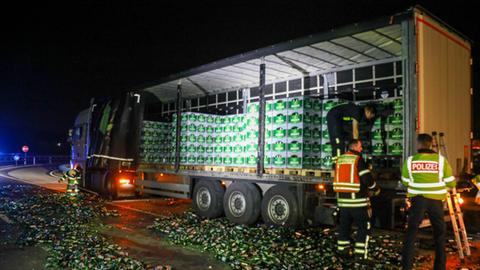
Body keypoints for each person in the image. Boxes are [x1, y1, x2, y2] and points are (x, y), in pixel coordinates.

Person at [401, 133, 456, 270]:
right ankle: (439, 267)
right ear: (431, 144)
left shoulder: (410, 160)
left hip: (418, 200)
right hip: (436, 201)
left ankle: (406, 266)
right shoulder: (441, 160)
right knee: (439, 234)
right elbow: (451, 182)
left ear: (418, 144)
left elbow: (405, 181)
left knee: (411, 232)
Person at [334, 139, 380, 261]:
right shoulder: (358, 160)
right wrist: (376, 188)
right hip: (358, 203)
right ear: (354, 147)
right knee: (363, 228)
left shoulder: (340, 159)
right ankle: (360, 255)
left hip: (343, 203)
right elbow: (367, 179)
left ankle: (342, 251)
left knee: (344, 227)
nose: (361, 149)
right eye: (360, 147)